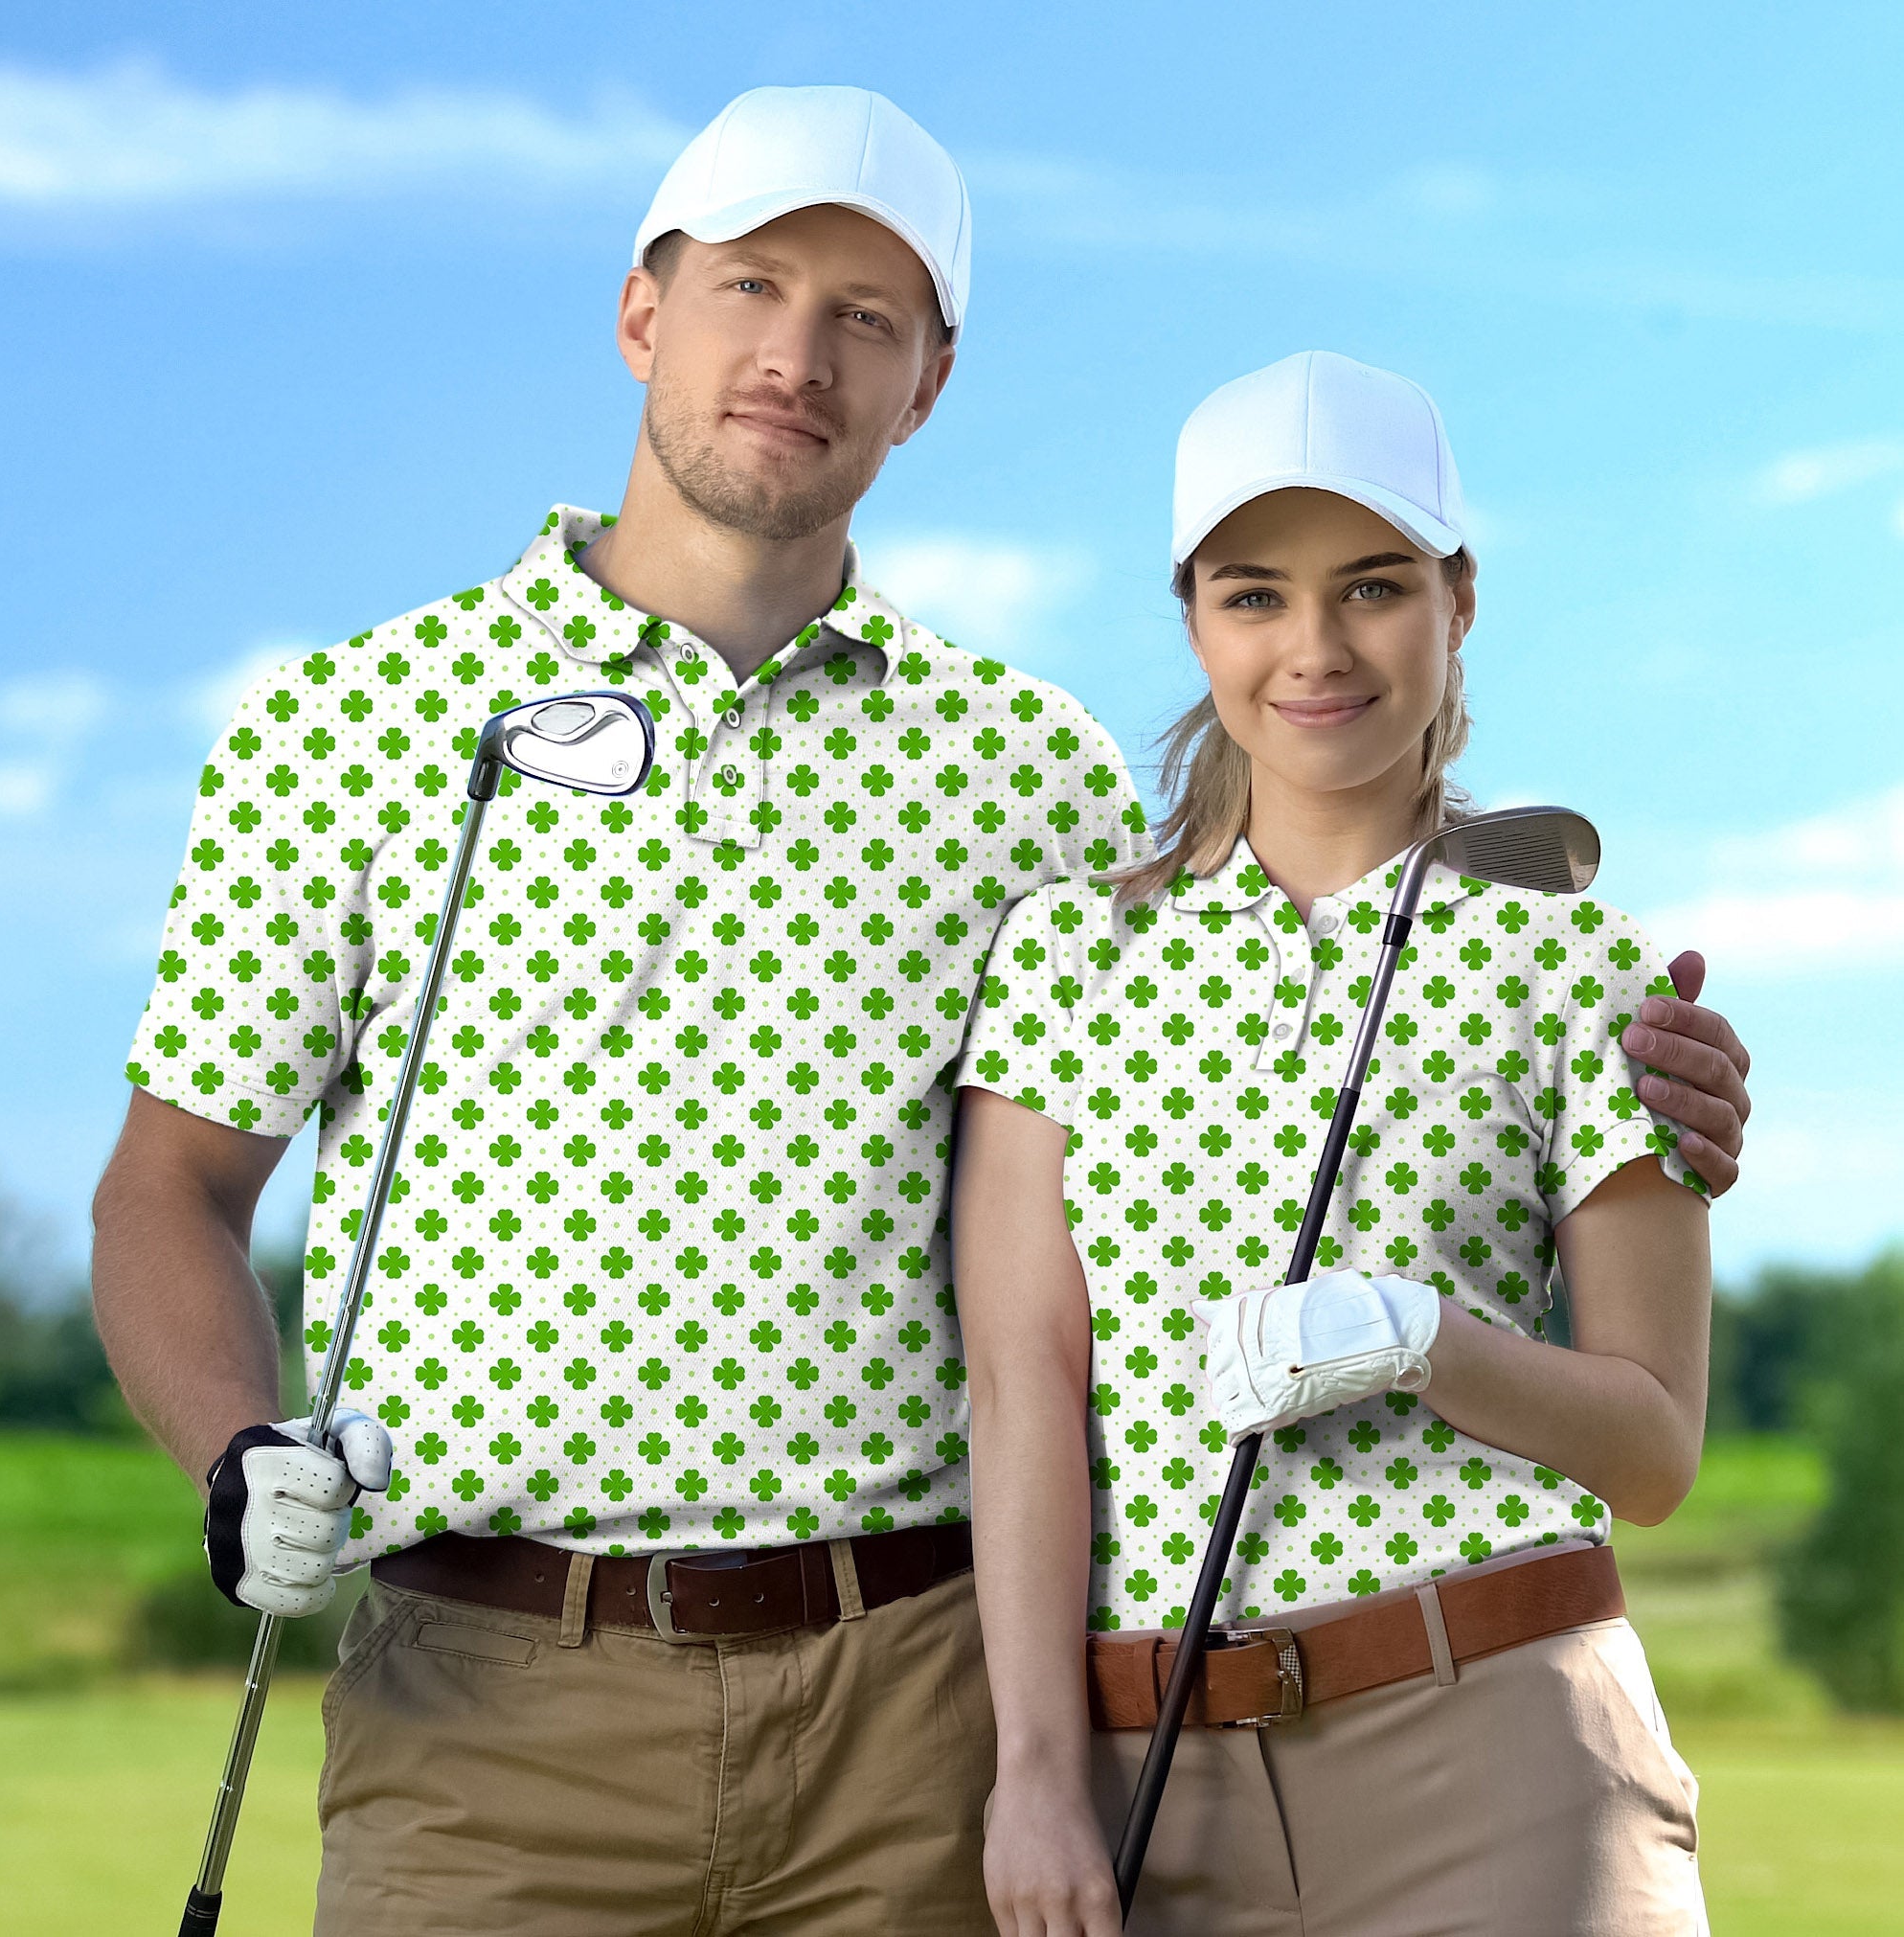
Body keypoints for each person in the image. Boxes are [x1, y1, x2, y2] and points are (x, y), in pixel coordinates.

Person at [86, 83, 1751, 1932]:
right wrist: (238, 1454)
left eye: (863, 317)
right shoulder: (351, 728)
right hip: (484, 1708)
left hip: (916, 1705)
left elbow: (1264, 983)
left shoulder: (1029, 765)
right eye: (749, 288)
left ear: (929, 380)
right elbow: (169, 1191)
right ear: (643, 312)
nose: (796, 356)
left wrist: (1629, 1058)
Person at [955, 351, 1723, 1935]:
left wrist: (1418, 1338)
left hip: (1501, 1735)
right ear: (1190, 618)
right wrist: (1033, 1766)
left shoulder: (1580, 963)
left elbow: (1649, 1452)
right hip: (1156, 1772)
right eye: (1253, 596)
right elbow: (1023, 1382)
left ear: (1455, 599)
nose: (1313, 649)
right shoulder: (1061, 961)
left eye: (1370, 586)